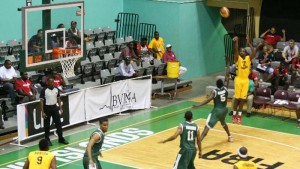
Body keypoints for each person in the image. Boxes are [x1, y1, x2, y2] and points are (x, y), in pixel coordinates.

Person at [193, 57, 233, 142]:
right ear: (222, 84)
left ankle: (197, 144)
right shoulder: (225, 88)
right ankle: (230, 136)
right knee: (223, 123)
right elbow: (227, 75)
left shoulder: (214, 91)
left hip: (217, 111)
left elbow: (208, 100)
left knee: (207, 127)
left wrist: (198, 105)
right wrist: (228, 63)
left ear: (216, 85)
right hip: (224, 110)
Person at [232, 36, 259, 125]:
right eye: (241, 51)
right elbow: (235, 51)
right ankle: (234, 115)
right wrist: (236, 43)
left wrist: (249, 44)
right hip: (238, 79)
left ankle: (239, 116)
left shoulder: (248, 58)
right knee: (237, 98)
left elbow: (254, 52)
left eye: (243, 51)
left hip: (245, 80)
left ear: (245, 52)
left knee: (243, 99)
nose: (242, 52)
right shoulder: (237, 59)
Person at [40, 78, 69, 146]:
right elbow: (41, 101)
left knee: (58, 123)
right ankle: (47, 140)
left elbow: (58, 98)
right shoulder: (44, 90)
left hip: (54, 107)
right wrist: (42, 112)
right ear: (48, 83)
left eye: (52, 82)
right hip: (47, 108)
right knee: (47, 125)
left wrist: (60, 108)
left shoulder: (56, 89)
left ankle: (61, 138)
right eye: (50, 82)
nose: (51, 84)